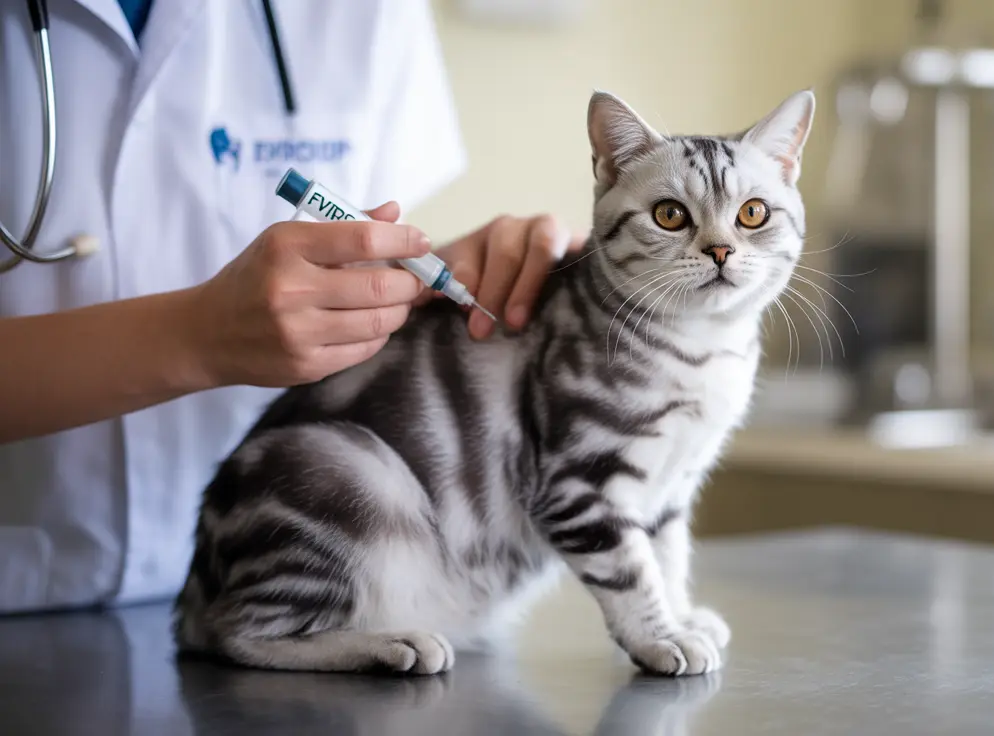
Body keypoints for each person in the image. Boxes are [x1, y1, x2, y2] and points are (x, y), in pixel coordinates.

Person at [0, 0, 582, 613]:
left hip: (296, 580)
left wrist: (447, 281)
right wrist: (200, 336)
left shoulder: (371, 12)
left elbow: (365, 257)